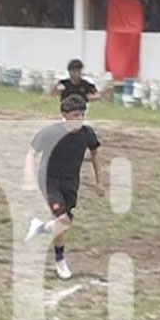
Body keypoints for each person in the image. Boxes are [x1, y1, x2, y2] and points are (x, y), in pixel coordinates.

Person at [22, 93, 104, 279]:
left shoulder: (87, 134)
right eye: (76, 115)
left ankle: (39, 227)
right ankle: (60, 261)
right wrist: (29, 179)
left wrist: (100, 181)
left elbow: (96, 153)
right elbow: (31, 154)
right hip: (49, 181)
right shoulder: (51, 133)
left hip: (71, 184)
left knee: (63, 224)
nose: (80, 119)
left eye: (83, 115)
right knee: (63, 221)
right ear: (65, 115)